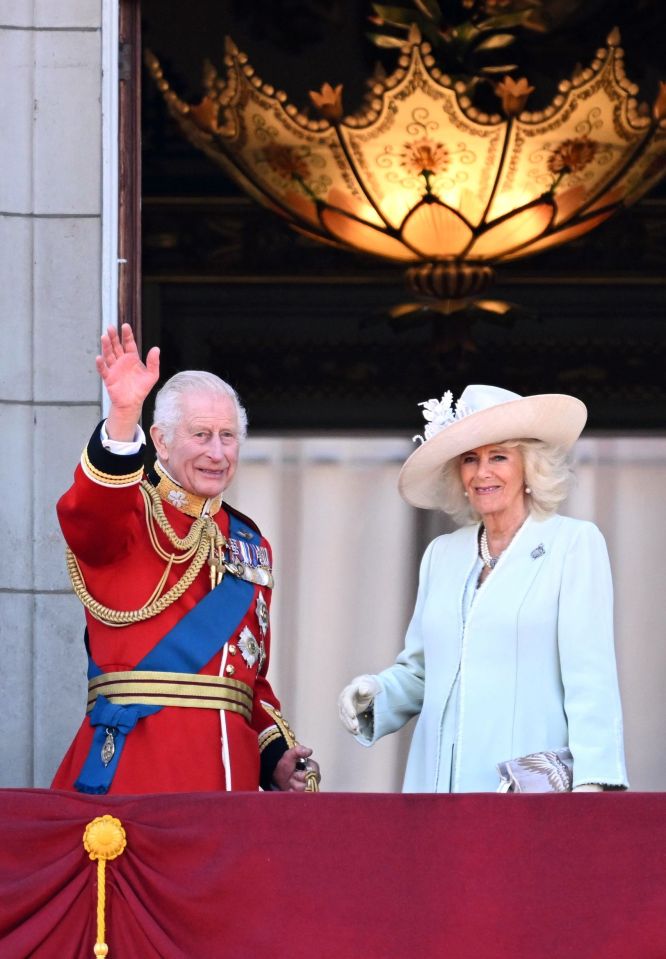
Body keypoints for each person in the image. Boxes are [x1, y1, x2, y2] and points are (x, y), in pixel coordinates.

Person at [52, 323, 319, 794]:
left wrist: (275, 758)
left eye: (228, 437)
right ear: (161, 439)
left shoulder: (249, 541)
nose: (217, 453)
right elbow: (89, 513)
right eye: (200, 435)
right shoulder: (130, 513)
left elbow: (248, 681)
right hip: (137, 776)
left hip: (231, 788)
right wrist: (122, 415)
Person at [338, 384, 628, 793]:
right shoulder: (443, 554)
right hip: (437, 790)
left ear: (529, 466)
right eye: (470, 459)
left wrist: (593, 785)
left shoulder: (573, 544)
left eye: (498, 457)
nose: (482, 472)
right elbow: (422, 672)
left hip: (527, 794)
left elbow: (590, 680)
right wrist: (377, 693)